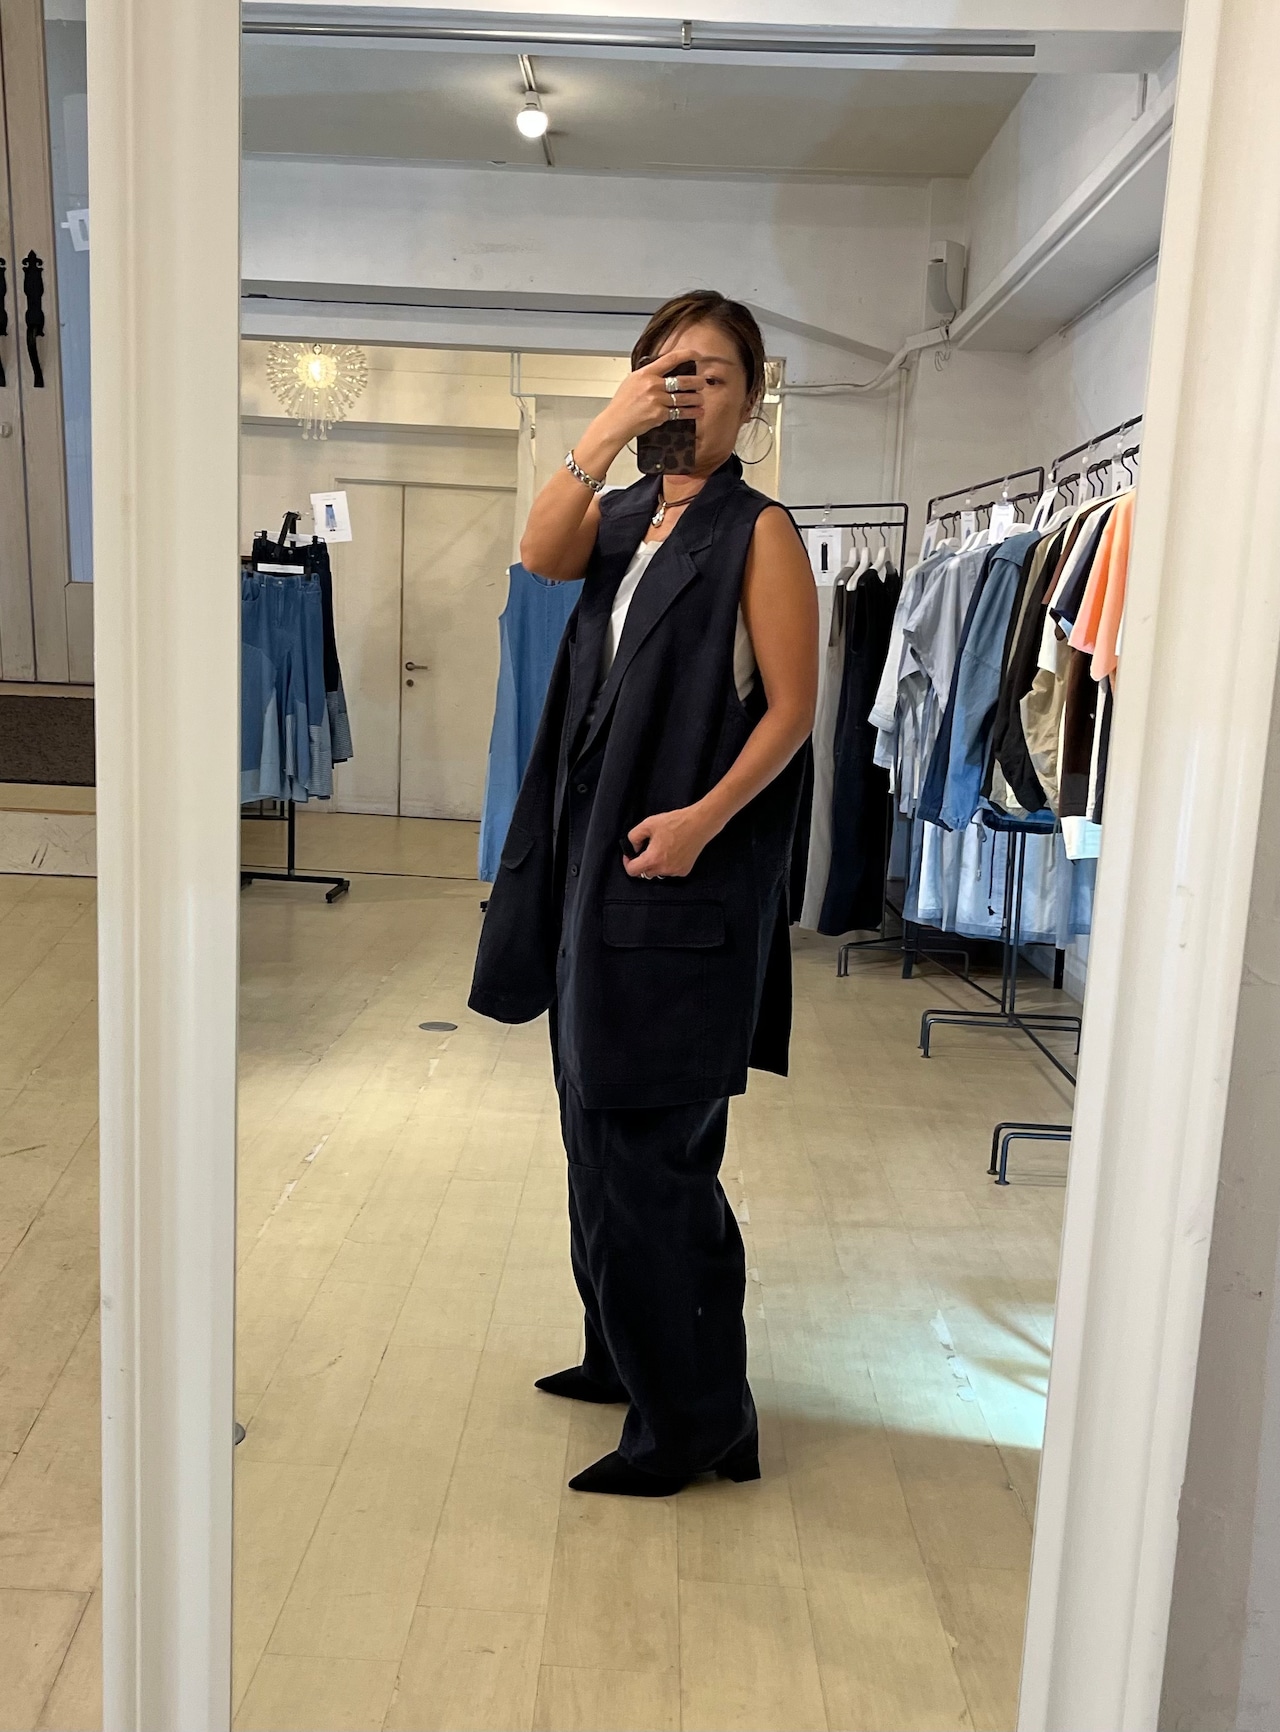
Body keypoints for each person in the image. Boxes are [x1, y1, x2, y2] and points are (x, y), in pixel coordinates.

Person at [468, 290, 818, 1496]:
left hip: (678, 892)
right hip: (591, 887)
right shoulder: (616, 518)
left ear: (748, 400)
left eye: (710, 375)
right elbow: (539, 552)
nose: (685, 392)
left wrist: (702, 820)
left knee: (650, 1161)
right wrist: (606, 427)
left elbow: (790, 711)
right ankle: (623, 1356)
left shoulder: (757, 532)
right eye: (665, 371)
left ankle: (695, 1425)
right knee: (593, 1138)